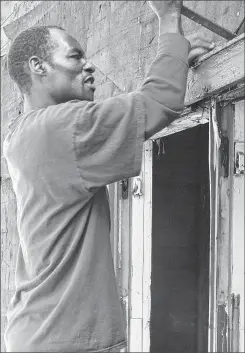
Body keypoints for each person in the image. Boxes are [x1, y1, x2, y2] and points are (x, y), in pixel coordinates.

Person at [3, 1, 214, 352]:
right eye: (74, 57)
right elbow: (159, 101)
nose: (89, 65)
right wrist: (168, 17)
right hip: (66, 339)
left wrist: (175, 58)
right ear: (38, 66)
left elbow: (119, 112)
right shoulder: (63, 127)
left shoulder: (22, 133)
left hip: (39, 333)